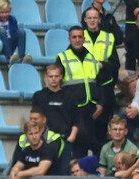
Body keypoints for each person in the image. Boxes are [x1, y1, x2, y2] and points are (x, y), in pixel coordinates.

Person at [56, 26, 103, 157]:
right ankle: (102, 151)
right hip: (73, 107)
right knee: (82, 138)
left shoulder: (92, 58)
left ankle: (83, 173)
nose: (77, 40)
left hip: (92, 107)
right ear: (69, 39)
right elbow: (57, 83)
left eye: (80, 37)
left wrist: (100, 102)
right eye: (74, 37)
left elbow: (99, 82)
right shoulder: (62, 57)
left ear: (84, 38)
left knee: (83, 146)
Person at [81, 6, 118, 139]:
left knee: (102, 130)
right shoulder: (79, 37)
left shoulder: (108, 38)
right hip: (85, 87)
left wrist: (102, 64)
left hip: (105, 86)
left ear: (100, 19)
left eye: (95, 18)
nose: (92, 20)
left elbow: (115, 64)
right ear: (85, 20)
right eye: (89, 18)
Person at [32, 64, 78, 145]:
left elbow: (76, 119)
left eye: (56, 76)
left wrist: (71, 137)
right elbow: (34, 118)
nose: (53, 79)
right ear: (46, 77)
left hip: (65, 138)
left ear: (61, 77)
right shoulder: (38, 96)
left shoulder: (70, 96)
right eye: (51, 76)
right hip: (44, 139)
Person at [0, 0, 30, 65]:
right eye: (2, 12)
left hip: (10, 45)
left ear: (10, 10)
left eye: (7, 12)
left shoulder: (13, 20)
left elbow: (14, 34)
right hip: (0, 47)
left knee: (21, 32)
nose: (4, 15)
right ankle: (9, 59)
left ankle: (22, 57)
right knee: (1, 31)